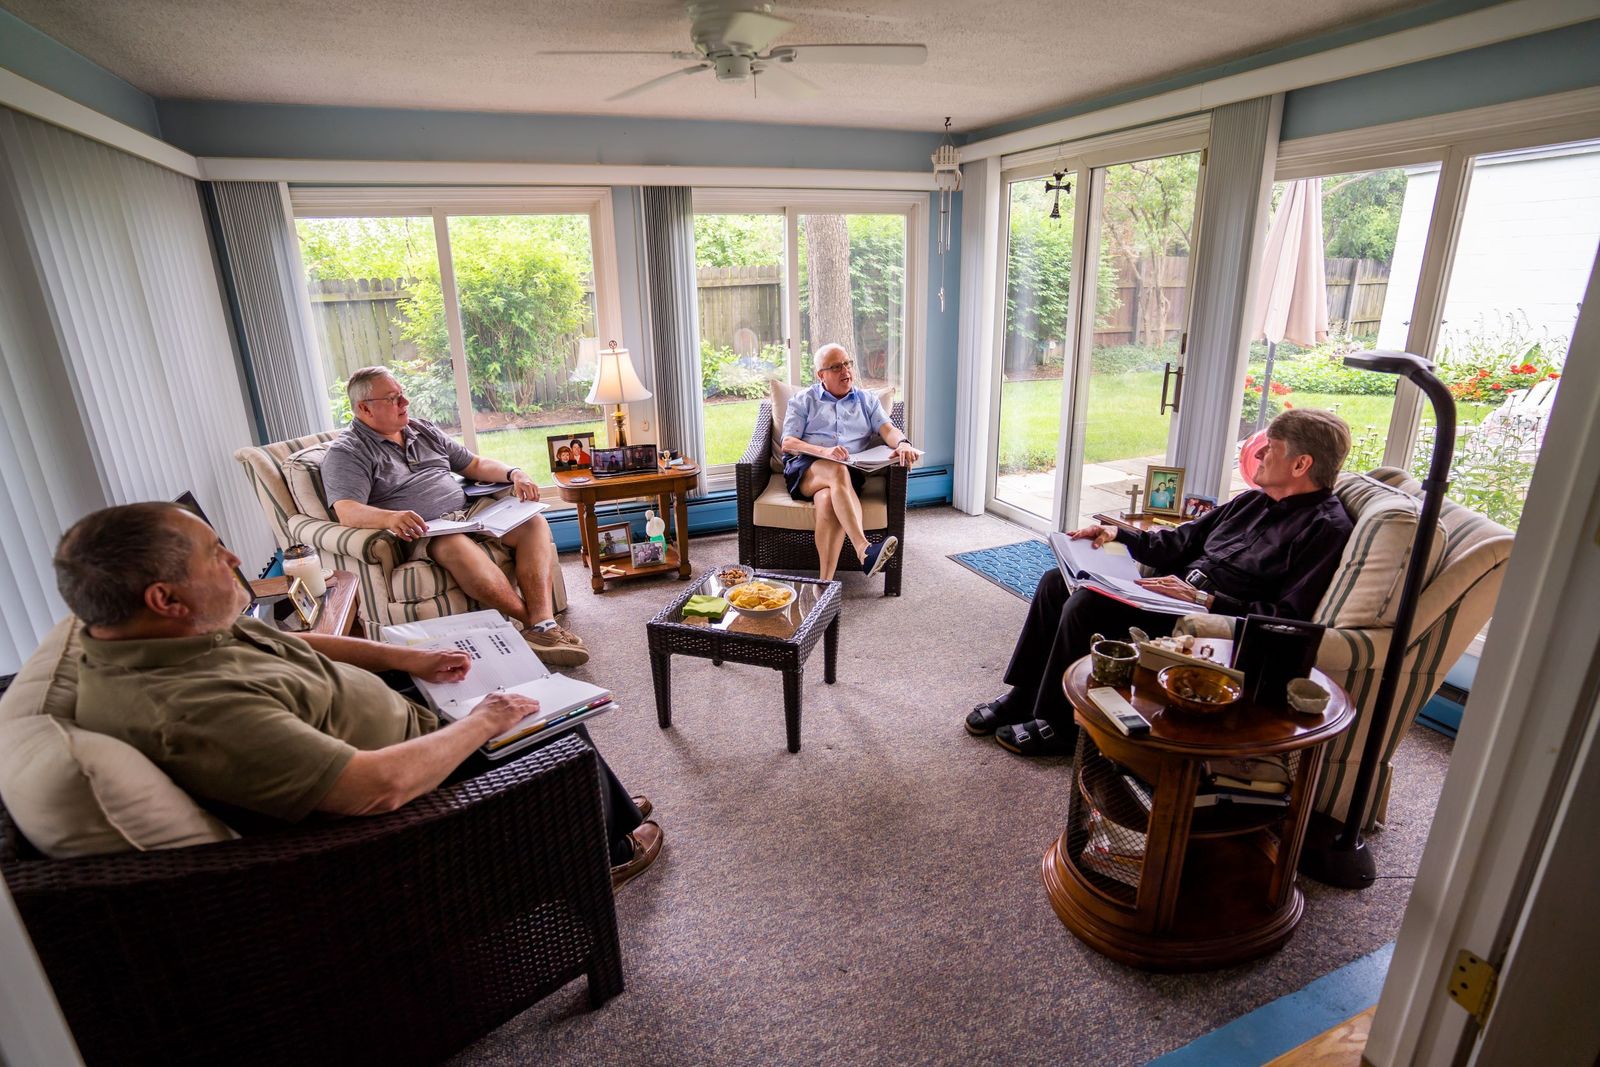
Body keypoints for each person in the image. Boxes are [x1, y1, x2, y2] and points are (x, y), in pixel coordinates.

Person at [52, 502, 663, 888]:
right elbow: (376, 788)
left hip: (394, 718)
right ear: (164, 598)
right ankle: (605, 850)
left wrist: (409, 659)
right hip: (414, 782)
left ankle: (598, 807)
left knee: (511, 676)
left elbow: (297, 645)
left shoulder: (177, 630)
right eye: (215, 554)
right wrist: (482, 723)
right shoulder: (190, 709)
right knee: (549, 718)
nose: (234, 558)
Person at [966, 409, 1356, 756]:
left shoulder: (1326, 528)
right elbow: (1176, 543)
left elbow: (1288, 617)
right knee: (1057, 581)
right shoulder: (1251, 501)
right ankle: (1023, 695)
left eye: (1270, 448)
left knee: (1088, 604)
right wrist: (1116, 535)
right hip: (1165, 595)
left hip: (1200, 621)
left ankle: (1060, 723)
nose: (1258, 455)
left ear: (1301, 464)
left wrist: (1205, 600)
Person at [322, 367, 586, 667]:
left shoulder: (421, 429)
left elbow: (473, 464)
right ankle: (538, 626)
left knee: (532, 522)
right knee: (455, 545)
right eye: (393, 398)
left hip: (467, 512)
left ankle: (541, 624)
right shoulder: (348, 452)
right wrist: (390, 518)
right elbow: (346, 509)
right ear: (365, 408)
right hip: (427, 530)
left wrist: (514, 473)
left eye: (402, 394)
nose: (405, 402)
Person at [779, 343, 917, 581]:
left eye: (847, 364)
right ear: (821, 375)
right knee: (837, 470)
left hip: (849, 472)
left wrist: (903, 443)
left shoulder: (866, 400)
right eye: (836, 367)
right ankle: (864, 550)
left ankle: (823, 585)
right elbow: (788, 442)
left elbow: (888, 429)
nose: (846, 371)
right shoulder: (804, 400)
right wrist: (824, 451)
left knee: (827, 501)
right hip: (806, 468)